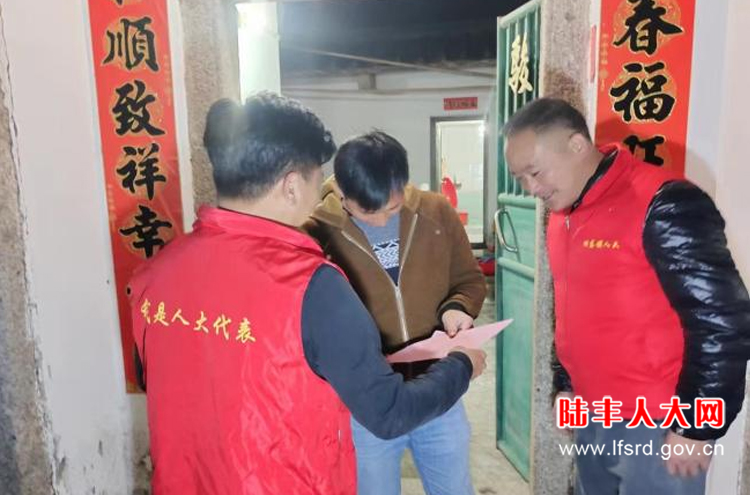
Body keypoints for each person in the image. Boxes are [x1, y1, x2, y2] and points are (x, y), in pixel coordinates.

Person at [128, 92, 487, 495]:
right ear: (292, 186)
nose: (323, 193)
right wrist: (462, 364)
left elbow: (153, 378)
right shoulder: (312, 284)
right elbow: (388, 412)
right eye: (319, 178)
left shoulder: (153, 275)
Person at [503, 97, 750, 495]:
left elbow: (723, 319)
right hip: (594, 415)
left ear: (577, 145)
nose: (531, 189)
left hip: (658, 425)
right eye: (520, 179)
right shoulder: (563, 215)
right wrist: (567, 384)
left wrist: (698, 427)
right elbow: (571, 312)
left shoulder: (663, 202)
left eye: (535, 172)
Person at [304, 130, 487, 495]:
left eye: (392, 207)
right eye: (366, 212)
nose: (380, 220)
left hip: (439, 387)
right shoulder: (316, 233)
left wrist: (456, 308)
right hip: (367, 403)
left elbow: (469, 280)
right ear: (341, 192)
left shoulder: (436, 212)